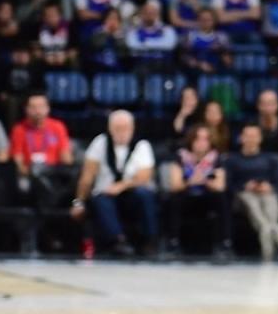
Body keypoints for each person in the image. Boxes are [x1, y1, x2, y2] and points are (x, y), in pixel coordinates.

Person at [74, 110, 159, 256]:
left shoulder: (141, 145)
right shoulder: (100, 142)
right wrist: (78, 202)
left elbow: (144, 176)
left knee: (145, 195)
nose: (121, 132)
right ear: (110, 129)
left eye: (125, 128)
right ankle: (118, 241)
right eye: (117, 129)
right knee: (100, 199)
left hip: (131, 193)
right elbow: (87, 176)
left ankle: (149, 240)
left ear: (132, 128)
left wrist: (121, 186)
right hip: (106, 194)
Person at [164, 124, 232, 257]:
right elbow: (175, 184)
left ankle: (225, 242)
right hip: (187, 196)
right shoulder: (181, 156)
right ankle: (173, 242)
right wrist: (191, 181)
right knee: (173, 198)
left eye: (205, 139)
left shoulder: (215, 158)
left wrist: (204, 180)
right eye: (198, 139)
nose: (201, 143)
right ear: (191, 140)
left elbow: (220, 186)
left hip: (207, 197)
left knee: (222, 198)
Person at [226, 123, 278, 261]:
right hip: (244, 194)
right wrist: (245, 186)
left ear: (260, 138)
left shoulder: (270, 159)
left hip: (266, 193)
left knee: (269, 200)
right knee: (251, 202)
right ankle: (267, 228)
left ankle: (273, 226)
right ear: (241, 138)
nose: (251, 139)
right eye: (247, 136)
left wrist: (269, 187)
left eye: (254, 136)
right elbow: (229, 185)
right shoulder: (232, 160)